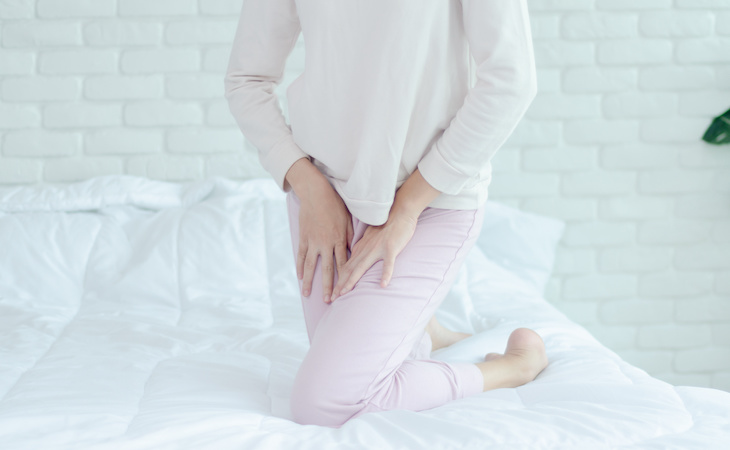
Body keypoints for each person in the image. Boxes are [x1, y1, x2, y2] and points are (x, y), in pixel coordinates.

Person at [225, 0, 548, 428]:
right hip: (325, 206)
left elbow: (512, 80)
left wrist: (408, 208)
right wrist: (308, 186)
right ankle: (424, 329)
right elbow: (247, 79)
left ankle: (512, 368)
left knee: (324, 402)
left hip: (429, 203)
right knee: (347, 376)